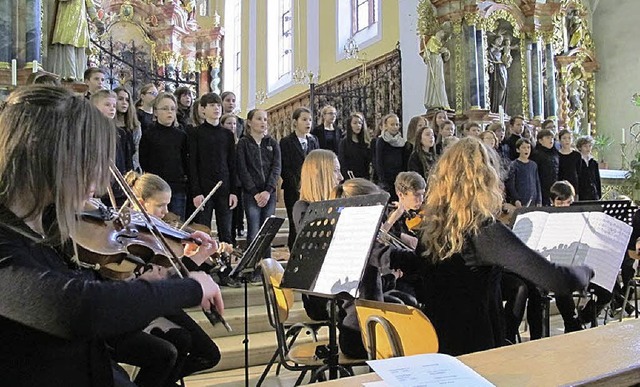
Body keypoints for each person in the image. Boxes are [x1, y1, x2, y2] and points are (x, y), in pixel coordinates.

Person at [0, 85, 222, 386]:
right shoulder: (8, 237)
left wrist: (169, 274)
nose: (100, 178)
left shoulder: (51, 228)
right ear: (43, 150)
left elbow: (107, 311)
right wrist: (189, 289)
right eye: (90, 158)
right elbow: (77, 309)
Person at [409, 137, 592, 356]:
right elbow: (556, 280)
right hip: (478, 351)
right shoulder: (482, 230)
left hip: (437, 347)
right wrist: (586, 270)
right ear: (486, 179)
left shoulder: (431, 227)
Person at [189, 92, 238, 243]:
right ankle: (205, 265)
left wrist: (233, 191)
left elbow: (232, 164)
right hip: (204, 190)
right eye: (211, 105)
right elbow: (193, 164)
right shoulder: (195, 133)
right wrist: (196, 192)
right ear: (203, 109)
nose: (216, 108)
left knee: (226, 233)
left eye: (218, 105)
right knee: (203, 232)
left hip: (224, 188)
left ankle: (227, 265)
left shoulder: (227, 134)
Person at [139, 92, 189, 219]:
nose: (169, 112)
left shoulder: (181, 135)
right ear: (156, 112)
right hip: (156, 189)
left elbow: (185, 161)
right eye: (165, 108)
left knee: (176, 225)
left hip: (177, 187)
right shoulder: (149, 134)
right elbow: (144, 160)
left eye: (172, 109)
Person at [236, 109, 281, 245]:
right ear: (249, 122)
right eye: (259, 119)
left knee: (267, 232)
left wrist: (268, 190)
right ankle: (253, 265)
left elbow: (276, 167)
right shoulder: (243, 143)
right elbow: (242, 169)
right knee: (254, 231)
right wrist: (255, 192)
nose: (263, 122)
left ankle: (266, 263)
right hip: (251, 194)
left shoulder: (272, 143)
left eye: (265, 119)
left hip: (269, 193)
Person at [280, 107, 319, 251]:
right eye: (304, 119)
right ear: (295, 122)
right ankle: (294, 252)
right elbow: (285, 167)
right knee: (294, 222)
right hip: (293, 188)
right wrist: (298, 184)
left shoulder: (314, 140)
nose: (308, 123)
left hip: (312, 188)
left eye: (310, 120)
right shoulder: (286, 141)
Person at [50, 0, 103, 80]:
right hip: (66, 18)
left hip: (80, 21)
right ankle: (69, 74)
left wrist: (96, 20)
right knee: (67, 43)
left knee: (81, 47)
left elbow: (90, 6)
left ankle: (80, 76)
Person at [375, 113, 411, 201]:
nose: (395, 127)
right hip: (387, 178)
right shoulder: (381, 141)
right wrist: (382, 179)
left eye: (397, 124)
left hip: (399, 176)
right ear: (386, 126)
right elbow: (379, 161)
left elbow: (404, 160)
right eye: (392, 124)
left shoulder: (401, 141)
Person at [505, 138, 542, 207]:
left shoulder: (533, 165)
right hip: (520, 200)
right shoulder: (514, 165)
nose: (526, 150)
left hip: (533, 200)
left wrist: (539, 200)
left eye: (528, 147)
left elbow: (537, 183)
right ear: (518, 150)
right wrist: (516, 199)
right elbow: (511, 185)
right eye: (523, 148)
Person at [422, 26, 451, 110]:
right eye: (442, 32)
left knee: (440, 81)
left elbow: (445, 58)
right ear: (438, 32)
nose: (443, 34)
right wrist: (426, 57)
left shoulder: (440, 44)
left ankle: (441, 102)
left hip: (439, 62)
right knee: (434, 81)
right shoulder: (432, 40)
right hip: (433, 61)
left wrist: (446, 53)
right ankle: (434, 102)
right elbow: (427, 51)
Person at [114, 86, 142, 173]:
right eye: (120, 99)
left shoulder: (135, 126)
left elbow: (136, 151)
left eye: (127, 100)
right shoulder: (108, 125)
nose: (124, 103)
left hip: (130, 169)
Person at [530, 129, 560, 206]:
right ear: (540, 140)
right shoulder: (536, 154)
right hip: (542, 186)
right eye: (548, 138)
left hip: (554, 185)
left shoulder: (555, 153)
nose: (551, 140)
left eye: (552, 138)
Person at [338, 112, 371, 179]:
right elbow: (342, 163)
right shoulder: (344, 142)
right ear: (350, 125)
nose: (358, 125)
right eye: (355, 123)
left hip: (364, 178)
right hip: (350, 178)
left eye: (360, 123)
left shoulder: (366, 143)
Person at [576, 136, 601, 200]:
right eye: (585, 146)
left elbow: (597, 179)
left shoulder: (594, 162)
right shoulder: (577, 160)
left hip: (593, 192)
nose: (588, 148)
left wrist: (598, 193)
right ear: (580, 147)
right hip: (581, 192)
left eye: (590, 146)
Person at [558, 129, 581, 195]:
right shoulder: (557, 155)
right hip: (560, 186)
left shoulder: (577, 155)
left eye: (569, 138)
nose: (567, 140)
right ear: (559, 140)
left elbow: (578, 171)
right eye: (564, 138)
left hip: (574, 185)